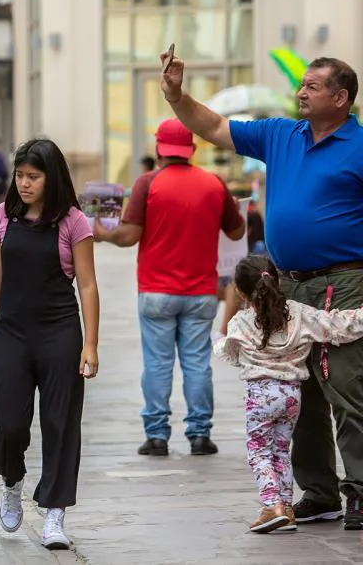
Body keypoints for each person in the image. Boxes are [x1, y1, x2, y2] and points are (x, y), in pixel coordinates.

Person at [162, 51, 363, 529]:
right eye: (302, 85)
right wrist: (175, 95)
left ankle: (359, 490)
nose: (302, 92)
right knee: (299, 386)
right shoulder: (281, 134)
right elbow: (212, 126)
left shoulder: (359, 145)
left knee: (348, 387)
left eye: (313, 86)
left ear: (340, 97)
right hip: (289, 283)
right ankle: (319, 491)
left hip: (345, 282)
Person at [93, 118, 245, 457]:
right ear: (190, 149)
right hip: (202, 292)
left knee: (158, 364)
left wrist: (104, 233)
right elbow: (236, 233)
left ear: (159, 149)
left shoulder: (148, 183)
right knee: (197, 363)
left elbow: (129, 236)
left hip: (156, 290)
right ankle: (200, 435)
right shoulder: (214, 184)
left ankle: (157, 436)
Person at [0, 138, 100, 550]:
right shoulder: (3, 216)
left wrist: (91, 345)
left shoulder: (73, 222)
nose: (25, 184)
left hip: (60, 333)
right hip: (12, 332)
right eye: (20, 175)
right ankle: (12, 481)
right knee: (9, 421)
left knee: (60, 423)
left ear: (52, 178)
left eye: (34, 176)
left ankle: (54, 513)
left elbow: (87, 284)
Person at [214, 255, 363, 533]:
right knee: (281, 450)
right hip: (292, 396)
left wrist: (226, 345)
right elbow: (335, 325)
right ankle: (286, 508)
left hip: (261, 397)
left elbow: (229, 353)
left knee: (259, 451)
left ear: (240, 292)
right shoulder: (298, 313)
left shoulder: (241, 322)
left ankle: (272, 505)